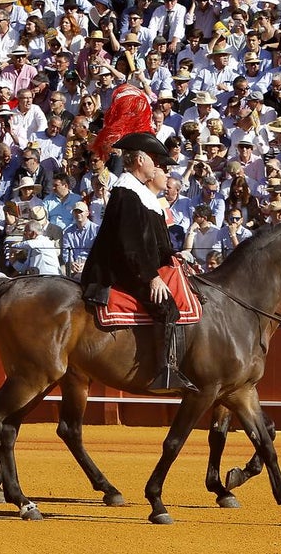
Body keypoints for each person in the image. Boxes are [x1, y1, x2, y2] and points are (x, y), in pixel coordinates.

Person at [81, 132, 197, 394]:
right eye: (155, 161)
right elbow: (130, 244)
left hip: (133, 265)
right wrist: (151, 277)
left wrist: (173, 255)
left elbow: (151, 242)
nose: (158, 167)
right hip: (118, 270)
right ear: (140, 160)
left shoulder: (137, 194)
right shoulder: (126, 193)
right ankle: (165, 371)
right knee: (167, 306)